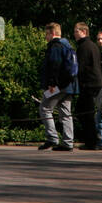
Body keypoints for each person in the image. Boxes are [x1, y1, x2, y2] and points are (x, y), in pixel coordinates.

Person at [38, 22, 78, 151]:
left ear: (52, 33)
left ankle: (52, 138)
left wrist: (52, 83)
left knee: (44, 108)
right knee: (66, 113)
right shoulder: (68, 45)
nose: (46, 37)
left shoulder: (55, 46)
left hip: (57, 86)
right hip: (69, 85)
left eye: (47, 34)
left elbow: (55, 65)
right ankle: (68, 142)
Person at [72, 22, 102, 149]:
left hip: (88, 84)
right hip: (94, 82)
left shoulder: (84, 47)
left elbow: (81, 66)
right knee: (85, 112)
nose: (74, 34)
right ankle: (93, 139)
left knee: (85, 112)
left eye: (76, 31)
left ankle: (92, 141)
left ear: (83, 32)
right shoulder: (93, 46)